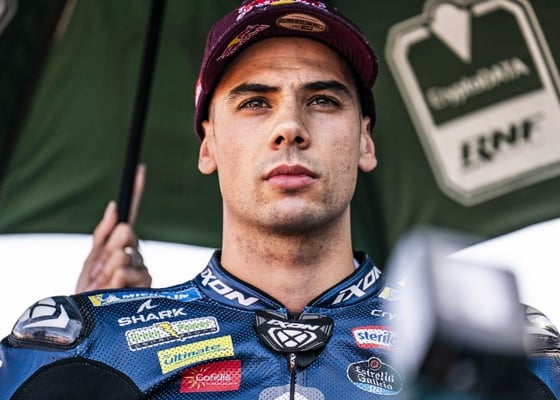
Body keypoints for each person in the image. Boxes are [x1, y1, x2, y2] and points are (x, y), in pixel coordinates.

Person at [1, 1, 558, 399]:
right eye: (254, 103)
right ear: (207, 145)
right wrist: (88, 361)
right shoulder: (86, 346)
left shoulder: (503, 353)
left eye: (323, 100)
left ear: (365, 141)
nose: (290, 127)